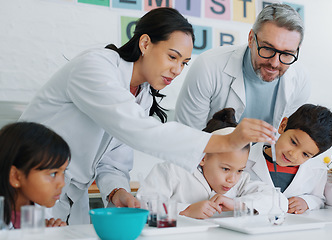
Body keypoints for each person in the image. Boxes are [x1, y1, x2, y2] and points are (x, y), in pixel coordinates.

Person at [18, 8, 276, 225]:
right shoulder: (95, 67)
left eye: (184, 62)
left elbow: (112, 163)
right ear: (145, 43)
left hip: (70, 198)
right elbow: (139, 130)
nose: (177, 70)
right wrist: (226, 143)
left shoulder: (142, 95)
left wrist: (117, 192)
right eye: (172, 57)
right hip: (29, 186)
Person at [175, 3, 309, 130]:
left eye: (286, 54)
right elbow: (188, 137)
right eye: (267, 48)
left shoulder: (300, 80)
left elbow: (287, 140)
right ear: (251, 38)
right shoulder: (208, 66)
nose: (274, 63)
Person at [137, 108, 287, 219]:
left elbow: (279, 200)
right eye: (225, 169)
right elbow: (143, 204)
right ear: (202, 157)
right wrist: (186, 210)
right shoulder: (173, 171)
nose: (232, 179)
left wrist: (237, 204)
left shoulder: (241, 182)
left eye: (240, 170)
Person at [245, 104, 332, 214]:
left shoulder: (317, 170)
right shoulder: (245, 158)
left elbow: (319, 199)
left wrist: (306, 202)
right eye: (293, 142)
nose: (293, 155)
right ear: (283, 126)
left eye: (305, 154)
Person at [0, 122, 70, 229]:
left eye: (63, 172)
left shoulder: (34, 209)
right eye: (53, 173)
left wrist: (48, 232)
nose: (62, 183)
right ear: (16, 176)